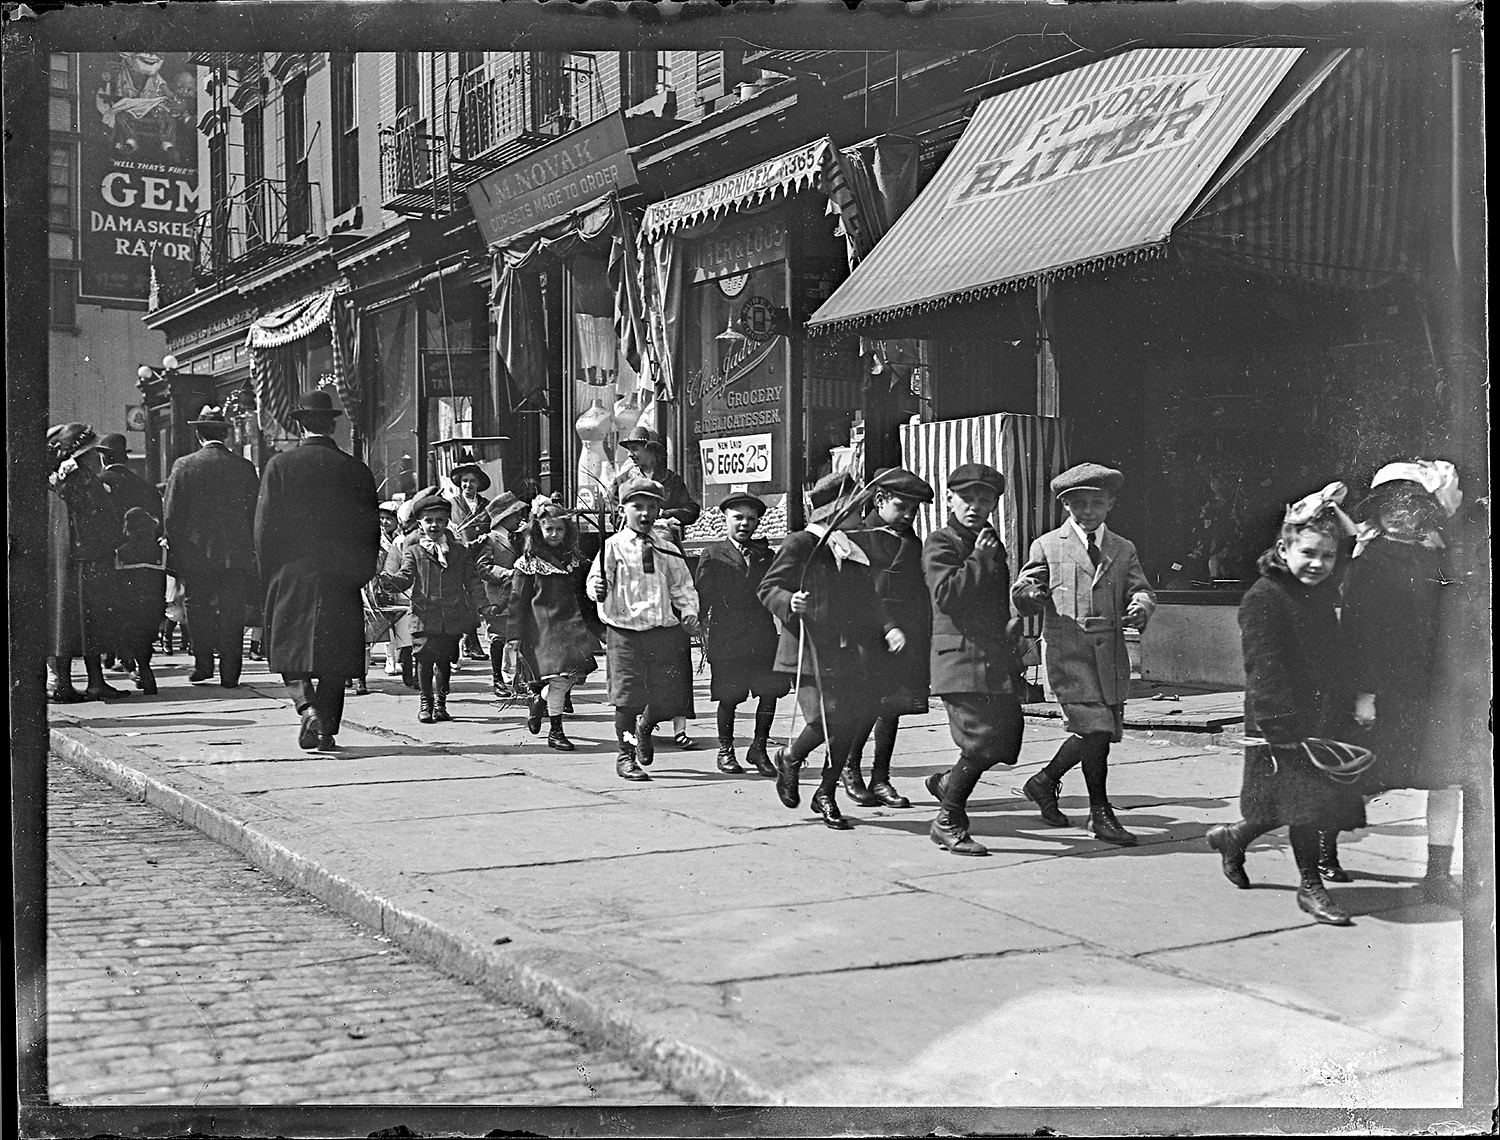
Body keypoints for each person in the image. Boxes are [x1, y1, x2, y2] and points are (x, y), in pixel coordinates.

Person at [1206, 483, 1368, 926]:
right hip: (1281, 718)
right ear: (1284, 548)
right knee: (1305, 806)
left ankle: (1233, 839)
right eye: (1309, 552)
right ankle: (1310, 887)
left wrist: (1332, 509)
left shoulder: (1315, 588)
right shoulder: (1265, 596)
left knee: (1288, 804)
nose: (1318, 563)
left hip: (1321, 713)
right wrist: (1281, 727)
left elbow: (1354, 543)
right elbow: (1264, 667)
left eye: (1327, 556)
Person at [1012, 463, 1155, 846]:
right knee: (1095, 729)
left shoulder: (1123, 548)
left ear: (1110, 504)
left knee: (1099, 733)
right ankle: (1099, 812)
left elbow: (1139, 588)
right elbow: (1026, 585)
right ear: (1066, 506)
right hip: (1066, 652)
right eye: (1078, 504)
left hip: (1109, 655)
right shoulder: (1046, 545)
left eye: (1096, 503)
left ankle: (1043, 781)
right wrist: (1029, 595)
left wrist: (1141, 605)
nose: (1088, 511)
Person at [1344, 460, 1466, 906]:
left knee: (1446, 779)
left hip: (1433, 687)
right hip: (1384, 687)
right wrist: (1364, 692)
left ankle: (1437, 873)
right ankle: (1321, 848)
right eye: (1389, 505)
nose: (1400, 513)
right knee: (1362, 773)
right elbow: (1359, 633)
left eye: (1411, 504)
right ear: (1375, 511)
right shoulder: (1367, 563)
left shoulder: (1440, 559)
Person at [758, 470, 887, 830]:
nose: (862, 516)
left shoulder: (852, 550)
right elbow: (769, 587)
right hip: (807, 649)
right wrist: (789, 600)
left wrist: (884, 630)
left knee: (847, 724)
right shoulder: (801, 544)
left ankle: (826, 793)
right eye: (856, 508)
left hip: (847, 650)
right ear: (837, 511)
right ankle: (790, 757)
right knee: (826, 719)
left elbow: (868, 601)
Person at [255, 391, 379, 753]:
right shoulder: (355, 469)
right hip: (341, 577)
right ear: (332, 424)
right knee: (336, 657)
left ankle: (306, 706)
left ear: (300, 424)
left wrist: (269, 574)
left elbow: (264, 529)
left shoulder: (279, 466)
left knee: (288, 649)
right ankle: (326, 731)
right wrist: (361, 573)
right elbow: (371, 529)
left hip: (291, 573)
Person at [916, 464, 1026, 854]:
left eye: (985, 500)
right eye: (967, 498)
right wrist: (979, 556)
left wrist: (1013, 624)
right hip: (958, 660)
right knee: (980, 740)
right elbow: (946, 595)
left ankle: (949, 782)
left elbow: (994, 598)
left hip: (994, 656)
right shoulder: (941, 542)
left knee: (1009, 737)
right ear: (949, 499)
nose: (975, 507)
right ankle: (947, 819)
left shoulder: (989, 540)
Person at [586, 477, 701, 782]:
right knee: (627, 698)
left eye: (652, 507)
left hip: (662, 632)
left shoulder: (666, 548)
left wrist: (689, 613)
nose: (645, 513)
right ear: (623, 508)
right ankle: (626, 755)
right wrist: (596, 588)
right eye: (638, 506)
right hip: (624, 633)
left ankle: (645, 728)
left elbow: (682, 585)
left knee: (667, 697)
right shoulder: (612, 546)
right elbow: (595, 582)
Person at [845, 468, 936, 808]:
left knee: (892, 708)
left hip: (903, 636)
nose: (909, 515)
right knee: (863, 705)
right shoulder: (855, 535)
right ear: (879, 500)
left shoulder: (912, 541)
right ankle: (849, 769)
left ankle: (880, 777)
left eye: (914, 509)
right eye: (902, 506)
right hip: (865, 634)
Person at [162, 406, 260, 688]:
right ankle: (231, 672)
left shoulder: (184, 465)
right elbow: (255, 511)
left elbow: (171, 515)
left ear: (197, 434)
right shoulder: (244, 467)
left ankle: (202, 664)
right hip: (235, 555)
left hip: (196, 555)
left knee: (198, 608)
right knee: (233, 611)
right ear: (226, 435)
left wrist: (178, 552)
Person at [694, 492, 788, 776]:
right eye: (738, 518)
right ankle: (726, 750)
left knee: (769, 693)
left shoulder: (766, 555)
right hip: (728, 637)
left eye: (751, 518)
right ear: (726, 519)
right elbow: (702, 597)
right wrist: (697, 623)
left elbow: (777, 590)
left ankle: (758, 748)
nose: (745, 524)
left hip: (761, 636)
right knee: (729, 696)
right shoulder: (712, 555)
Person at [381, 492, 487, 724]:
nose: (434, 525)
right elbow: (405, 577)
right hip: (424, 615)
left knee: (445, 660)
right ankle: (425, 702)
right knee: (424, 659)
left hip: (451, 615)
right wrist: (390, 582)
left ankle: (441, 703)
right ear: (420, 523)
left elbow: (472, 580)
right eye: (429, 521)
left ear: (447, 522)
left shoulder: (458, 551)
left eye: (440, 520)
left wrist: (484, 606)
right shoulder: (414, 551)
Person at [46, 423, 129, 702]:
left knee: (67, 624)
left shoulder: (57, 481)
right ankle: (90, 682)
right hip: (88, 560)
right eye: (93, 452)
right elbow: (102, 521)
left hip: (66, 560)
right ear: (82, 454)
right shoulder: (84, 480)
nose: (97, 458)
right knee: (89, 624)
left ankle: (68, 683)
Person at [507, 496, 598, 751]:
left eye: (560, 529)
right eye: (549, 529)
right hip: (544, 629)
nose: (555, 534)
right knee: (559, 680)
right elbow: (518, 602)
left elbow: (584, 595)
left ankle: (540, 701)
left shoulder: (574, 560)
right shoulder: (530, 562)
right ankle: (555, 731)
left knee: (569, 679)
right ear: (539, 529)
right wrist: (513, 635)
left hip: (572, 629)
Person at [96, 433, 165, 684]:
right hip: (147, 562)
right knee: (144, 614)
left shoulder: (98, 484)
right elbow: (159, 523)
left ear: (103, 457)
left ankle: (127, 660)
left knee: (119, 612)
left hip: (114, 560)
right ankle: (143, 663)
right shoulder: (146, 486)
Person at [471, 492, 528, 698]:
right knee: (498, 639)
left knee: (517, 638)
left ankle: (517, 678)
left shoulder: (518, 538)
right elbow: (483, 567)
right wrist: (508, 574)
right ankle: (497, 679)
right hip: (497, 596)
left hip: (516, 595)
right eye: (516, 514)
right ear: (505, 517)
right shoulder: (491, 539)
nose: (520, 518)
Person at [444, 455, 493, 661]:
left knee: (480, 596)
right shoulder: (451, 504)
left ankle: (469, 641)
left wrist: (485, 537)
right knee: (465, 599)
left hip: (482, 555)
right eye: (465, 481)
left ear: (479, 484)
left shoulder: (487, 505)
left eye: (472, 481)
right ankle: (471, 642)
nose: (468, 485)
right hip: (460, 555)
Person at [612, 427, 700, 539]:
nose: (630, 454)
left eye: (634, 449)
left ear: (651, 449)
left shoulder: (672, 480)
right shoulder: (623, 481)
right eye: (629, 450)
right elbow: (616, 517)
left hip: (666, 545)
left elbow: (691, 510)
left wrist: (667, 514)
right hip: (633, 544)